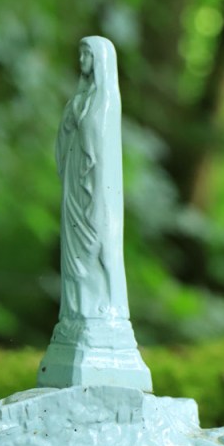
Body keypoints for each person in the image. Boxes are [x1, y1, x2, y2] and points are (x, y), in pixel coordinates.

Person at [55, 35, 130, 325]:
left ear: (100, 61)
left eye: (87, 55)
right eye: (81, 54)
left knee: (101, 240)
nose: (81, 60)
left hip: (97, 183)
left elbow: (96, 135)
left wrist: (77, 116)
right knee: (74, 247)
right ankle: (77, 309)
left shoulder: (106, 100)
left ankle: (108, 307)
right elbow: (65, 138)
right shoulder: (79, 100)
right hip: (75, 181)